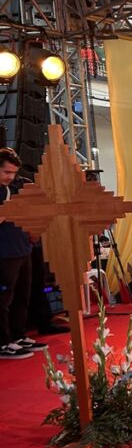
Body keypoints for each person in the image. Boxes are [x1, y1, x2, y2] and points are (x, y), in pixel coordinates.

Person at [0, 148, 45, 359]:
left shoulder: (20, 185)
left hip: (23, 249)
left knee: (22, 296)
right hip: (4, 253)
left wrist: (35, 230)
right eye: (6, 172)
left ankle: (18, 335)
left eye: (13, 173)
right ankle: (4, 342)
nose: (10, 177)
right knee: (4, 300)